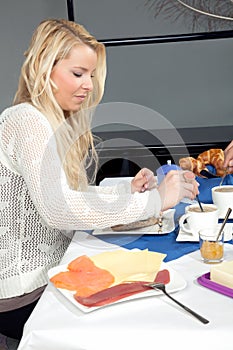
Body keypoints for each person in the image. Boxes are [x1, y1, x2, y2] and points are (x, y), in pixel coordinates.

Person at [0, 18, 199, 341]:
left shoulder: (54, 124)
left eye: (91, 75)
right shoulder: (27, 120)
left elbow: (67, 196)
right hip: (24, 295)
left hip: (52, 275)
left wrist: (127, 192)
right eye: (78, 74)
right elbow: (57, 209)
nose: (89, 85)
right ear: (43, 68)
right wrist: (154, 200)